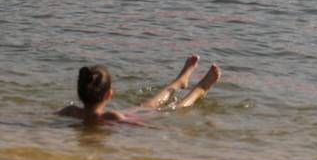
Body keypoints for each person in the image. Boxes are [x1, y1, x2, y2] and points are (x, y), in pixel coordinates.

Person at [58, 56, 220, 126]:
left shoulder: (69, 111)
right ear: (109, 95)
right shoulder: (111, 116)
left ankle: (179, 81)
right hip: (135, 115)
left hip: (130, 113)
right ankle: (201, 88)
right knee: (173, 109)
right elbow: (139, 125)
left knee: (148, 104)